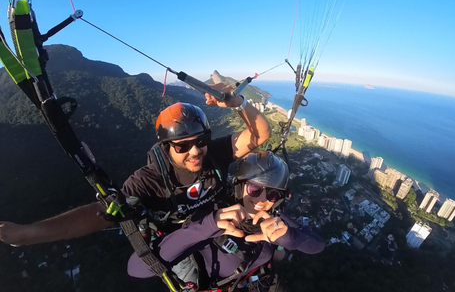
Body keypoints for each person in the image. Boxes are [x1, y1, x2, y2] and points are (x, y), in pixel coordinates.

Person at [0, 86, 270, 248]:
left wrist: (238, 104)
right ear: (165, 147)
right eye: (182, 146)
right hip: (185, 244)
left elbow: (259, 135)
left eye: (201, 140)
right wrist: (29, 233)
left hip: (225, 233)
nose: (195, 150)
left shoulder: (215, 154)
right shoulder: (148, 181)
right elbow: (101, 213)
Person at [128, 151, 325, 291]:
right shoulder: (213, 216)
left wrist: (290, 238)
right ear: (239, 186)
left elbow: (317, 246)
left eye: (272, 194)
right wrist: (207, 227)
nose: (262, 199)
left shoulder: (275, 220)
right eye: (254, 189)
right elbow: (137, 268)